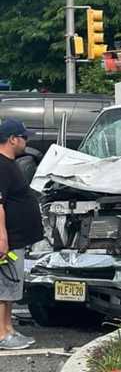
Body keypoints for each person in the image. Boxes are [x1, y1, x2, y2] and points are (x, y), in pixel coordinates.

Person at [0, 118, 42, 350]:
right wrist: (2, 238)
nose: (26, 141)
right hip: (8, 239)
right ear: (12, 139)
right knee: (3, 287)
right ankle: (1, 334)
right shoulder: (1, 166)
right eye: (24, 137)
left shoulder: (9, 163)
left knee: (10, 287)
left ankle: (9, 329)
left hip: (16, 239)